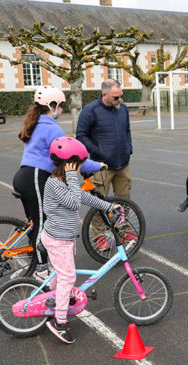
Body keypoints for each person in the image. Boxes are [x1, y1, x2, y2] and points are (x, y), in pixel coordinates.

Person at [13, 86, 105, 280]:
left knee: (34, 222)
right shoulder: (51, 127)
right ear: (51, 105)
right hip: (36, 178)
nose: (62, 110)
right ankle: (41, 270)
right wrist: (97, 165)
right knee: (42, 224)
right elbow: (70, 157)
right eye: (61, 106)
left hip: (24, 176)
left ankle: (34, 262)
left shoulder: (36, 122)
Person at [41, 137, 118, 344]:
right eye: (79, 166)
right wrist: (73, 177)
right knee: (68, 277)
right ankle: (59, 321)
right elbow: (74, 201)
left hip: (64, 238)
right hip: (58, 239)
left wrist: (108, 206)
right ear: (69, 165)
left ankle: (52, 299)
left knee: (60, 273)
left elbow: (84, 198)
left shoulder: (65, 182)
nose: (82, 170)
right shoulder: (55, 184)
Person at [76, 79, 135, 249]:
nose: (120, 100)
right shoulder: (90, 110)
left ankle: (123, 229)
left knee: (124, 201)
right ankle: (100, 236)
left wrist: (128, 148)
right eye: (116, 98)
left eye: (121, 96)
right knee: (99, 203)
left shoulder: (122, 109)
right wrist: (99, 152)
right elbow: (81, 136)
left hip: (123, 163)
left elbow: (127, 131)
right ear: (104, 95)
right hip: (101, 166)